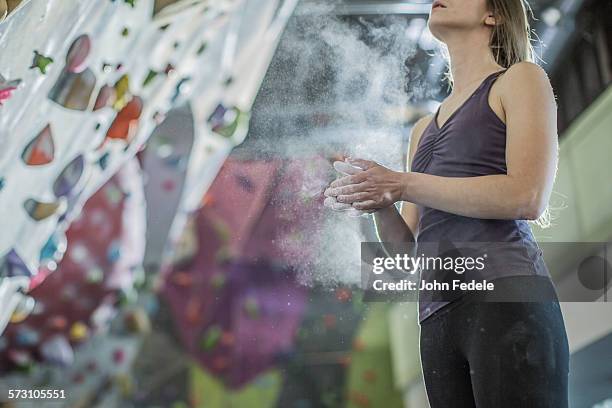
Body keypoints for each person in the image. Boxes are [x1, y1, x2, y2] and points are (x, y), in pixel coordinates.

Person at [323, 0, 570, 406]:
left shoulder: (520, 80)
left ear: (494, 14)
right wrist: (379, 199)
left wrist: (403, 183)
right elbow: (406, 253)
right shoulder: (423, 129)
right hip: (437, 317)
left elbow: (527, 196)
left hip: (505, 295)